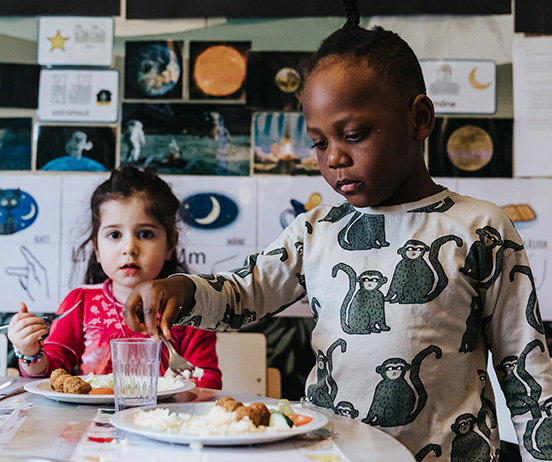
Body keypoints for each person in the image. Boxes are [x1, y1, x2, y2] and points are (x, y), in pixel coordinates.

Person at [122, 1, 552, 460]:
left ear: (419, 119)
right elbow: (241, 293)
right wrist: (180, 289)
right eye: (320, 142)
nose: (334, 158)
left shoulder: (479, 228)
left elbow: (523, 366)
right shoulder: (317, 230)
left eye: (354, 134)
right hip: (333, 454)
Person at [8, 166, 222, 390]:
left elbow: (209, 380)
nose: (129, 248)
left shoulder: (191, 308)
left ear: (170, 244)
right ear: (97, 249)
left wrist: (186, 384)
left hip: (160, 421)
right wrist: (30, 352)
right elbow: (52, 375)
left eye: (145, 234)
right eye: (114, 235)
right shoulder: (80, 303)